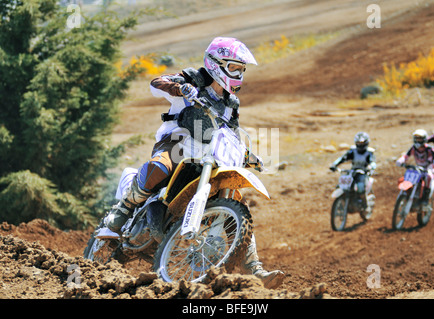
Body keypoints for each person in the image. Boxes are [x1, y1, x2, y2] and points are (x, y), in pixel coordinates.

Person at [105, 36, 285, 289]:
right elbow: (157, 82)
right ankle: (124, 208)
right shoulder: (193, 79)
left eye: (241, 70)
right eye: (234, 67)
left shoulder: (231, 103)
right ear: (215, 63)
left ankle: (254, 267)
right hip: (178, 142)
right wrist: (180, 88)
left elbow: (231, 132)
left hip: (209, 155)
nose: (238, 74)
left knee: (235, 200)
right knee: (162, 166)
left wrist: (249, 155)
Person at [329, 132, 377, 211]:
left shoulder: (369, 152)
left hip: (363, 173)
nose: (360, 145)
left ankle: (365, 205)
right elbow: (343, 158)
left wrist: (370, 166)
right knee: (342, 184)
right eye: (358, 143)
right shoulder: (353, 151)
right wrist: (334, 164)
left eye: (362, 143)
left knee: (361, 188)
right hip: (353, 172)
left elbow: (373, 162)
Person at [396, 129, 434, 207]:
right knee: (407, 177)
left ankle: (425, 199)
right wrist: (401, 160)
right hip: (418, 168)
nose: (418, 140)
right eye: (416, 138)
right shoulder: (413, 148)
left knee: (428, 177)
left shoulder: (429, 149)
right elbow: (406, 156)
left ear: (424, 139)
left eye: (420, 139)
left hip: (428, 168)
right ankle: (408, 194)